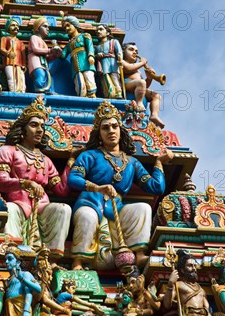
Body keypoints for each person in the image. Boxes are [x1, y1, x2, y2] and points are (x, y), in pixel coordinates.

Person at [68, 100, 172, 270]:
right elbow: (73, 178)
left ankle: (138, 254)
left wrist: (159, 163)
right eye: (105, 127)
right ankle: (78, 261)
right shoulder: (90, 156)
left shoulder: (131, 162)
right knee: (87, 216)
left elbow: (156, 187)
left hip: (116, 206)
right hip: (90, 202)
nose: (111, 131)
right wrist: (97, 187)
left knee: (143, 209)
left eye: (114, 126)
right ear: (99, 133)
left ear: (120, 130)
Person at [0, 96, 73, 258]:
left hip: (42, 207)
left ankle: (51, 257)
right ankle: (12, 253)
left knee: (63, 209)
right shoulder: (8, 151)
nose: (39, 130)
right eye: (34, 125)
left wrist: (71, 163)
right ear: (22, 130)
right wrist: (26, 183)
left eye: (42, 126)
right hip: (18, 204)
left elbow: (61, 191)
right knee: (9, 209)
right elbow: (1, 182)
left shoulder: (46, 160)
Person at [122, 42, 164, 129]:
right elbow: (128, 69)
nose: (135, 52)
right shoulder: (122, 62)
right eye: (131, 50)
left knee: (156, 96)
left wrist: (149, 78)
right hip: (127, 84)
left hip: (138, 87)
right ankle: (139, 103)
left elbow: (144, 87)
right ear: (123, 51)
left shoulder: (138, 71)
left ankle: (154, 115)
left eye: (136, 51)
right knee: (141, 82)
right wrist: (142, 63)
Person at [58, 14, 96, 98]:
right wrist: (56, 48)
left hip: (86, 62)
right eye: (65, 28)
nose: (67, 29)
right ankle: (82, 97)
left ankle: (92, 95)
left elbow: (90, 46)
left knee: (89, 79)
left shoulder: (85, 36)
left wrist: (91, 56)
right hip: (75, 67)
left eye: (68, 25)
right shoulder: (69, 44)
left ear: (75, 24)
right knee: (79, 83)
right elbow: (63, 56)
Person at [27, 17, 60, 94]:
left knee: (46, 75)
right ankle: (39, 88)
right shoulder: (34, 37)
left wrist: (55, 55)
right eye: (45, 26)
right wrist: (50, 50)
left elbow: (47, 57)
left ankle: (45, 89)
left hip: (43, 62)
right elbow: (35, 49)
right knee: (40, 74)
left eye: (48, 27)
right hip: (35, 60)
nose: (47, 29)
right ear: (37, 28)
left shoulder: (44, 42)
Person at [95, 23, 123, 99]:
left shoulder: (113, 42)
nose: (98, 31)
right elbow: (94, 57)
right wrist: (97, 56)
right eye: (97, 30)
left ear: (107, 32)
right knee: (104, 80)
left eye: (101, 29)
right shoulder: (97, 47)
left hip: (112, 64)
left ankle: (118, 93)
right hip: (103, 65)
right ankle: (109, 94)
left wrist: (120, 58)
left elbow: (119, 51)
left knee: (115, 78)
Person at [0, 17, 26, 92]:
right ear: (8, 27)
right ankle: (13, 91)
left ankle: (22, 92)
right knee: (11, 78)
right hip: (9, 62)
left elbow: (23, 55)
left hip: (19, 64)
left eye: (17, 26)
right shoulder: (5, 38)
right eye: (13, 25)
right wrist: (8, 53)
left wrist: (24, 65)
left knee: (21, 78)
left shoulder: (21, 43)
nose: (16, 27)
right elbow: (2, 49)